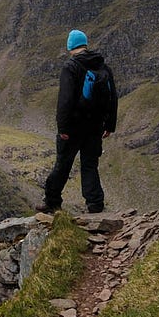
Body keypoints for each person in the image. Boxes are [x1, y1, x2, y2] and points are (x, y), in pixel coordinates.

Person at [38, 29, 118, 214]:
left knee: (63, 164)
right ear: (85, 44)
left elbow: (65, 100)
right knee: (90, 164)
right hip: (96, 126)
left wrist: (63, 127)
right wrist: (109, 125)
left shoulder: (71, 66)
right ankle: (95, 204)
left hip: (73, 127)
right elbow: (113, 97)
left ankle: (52, 202)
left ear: (70, 46)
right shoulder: (103, 66)